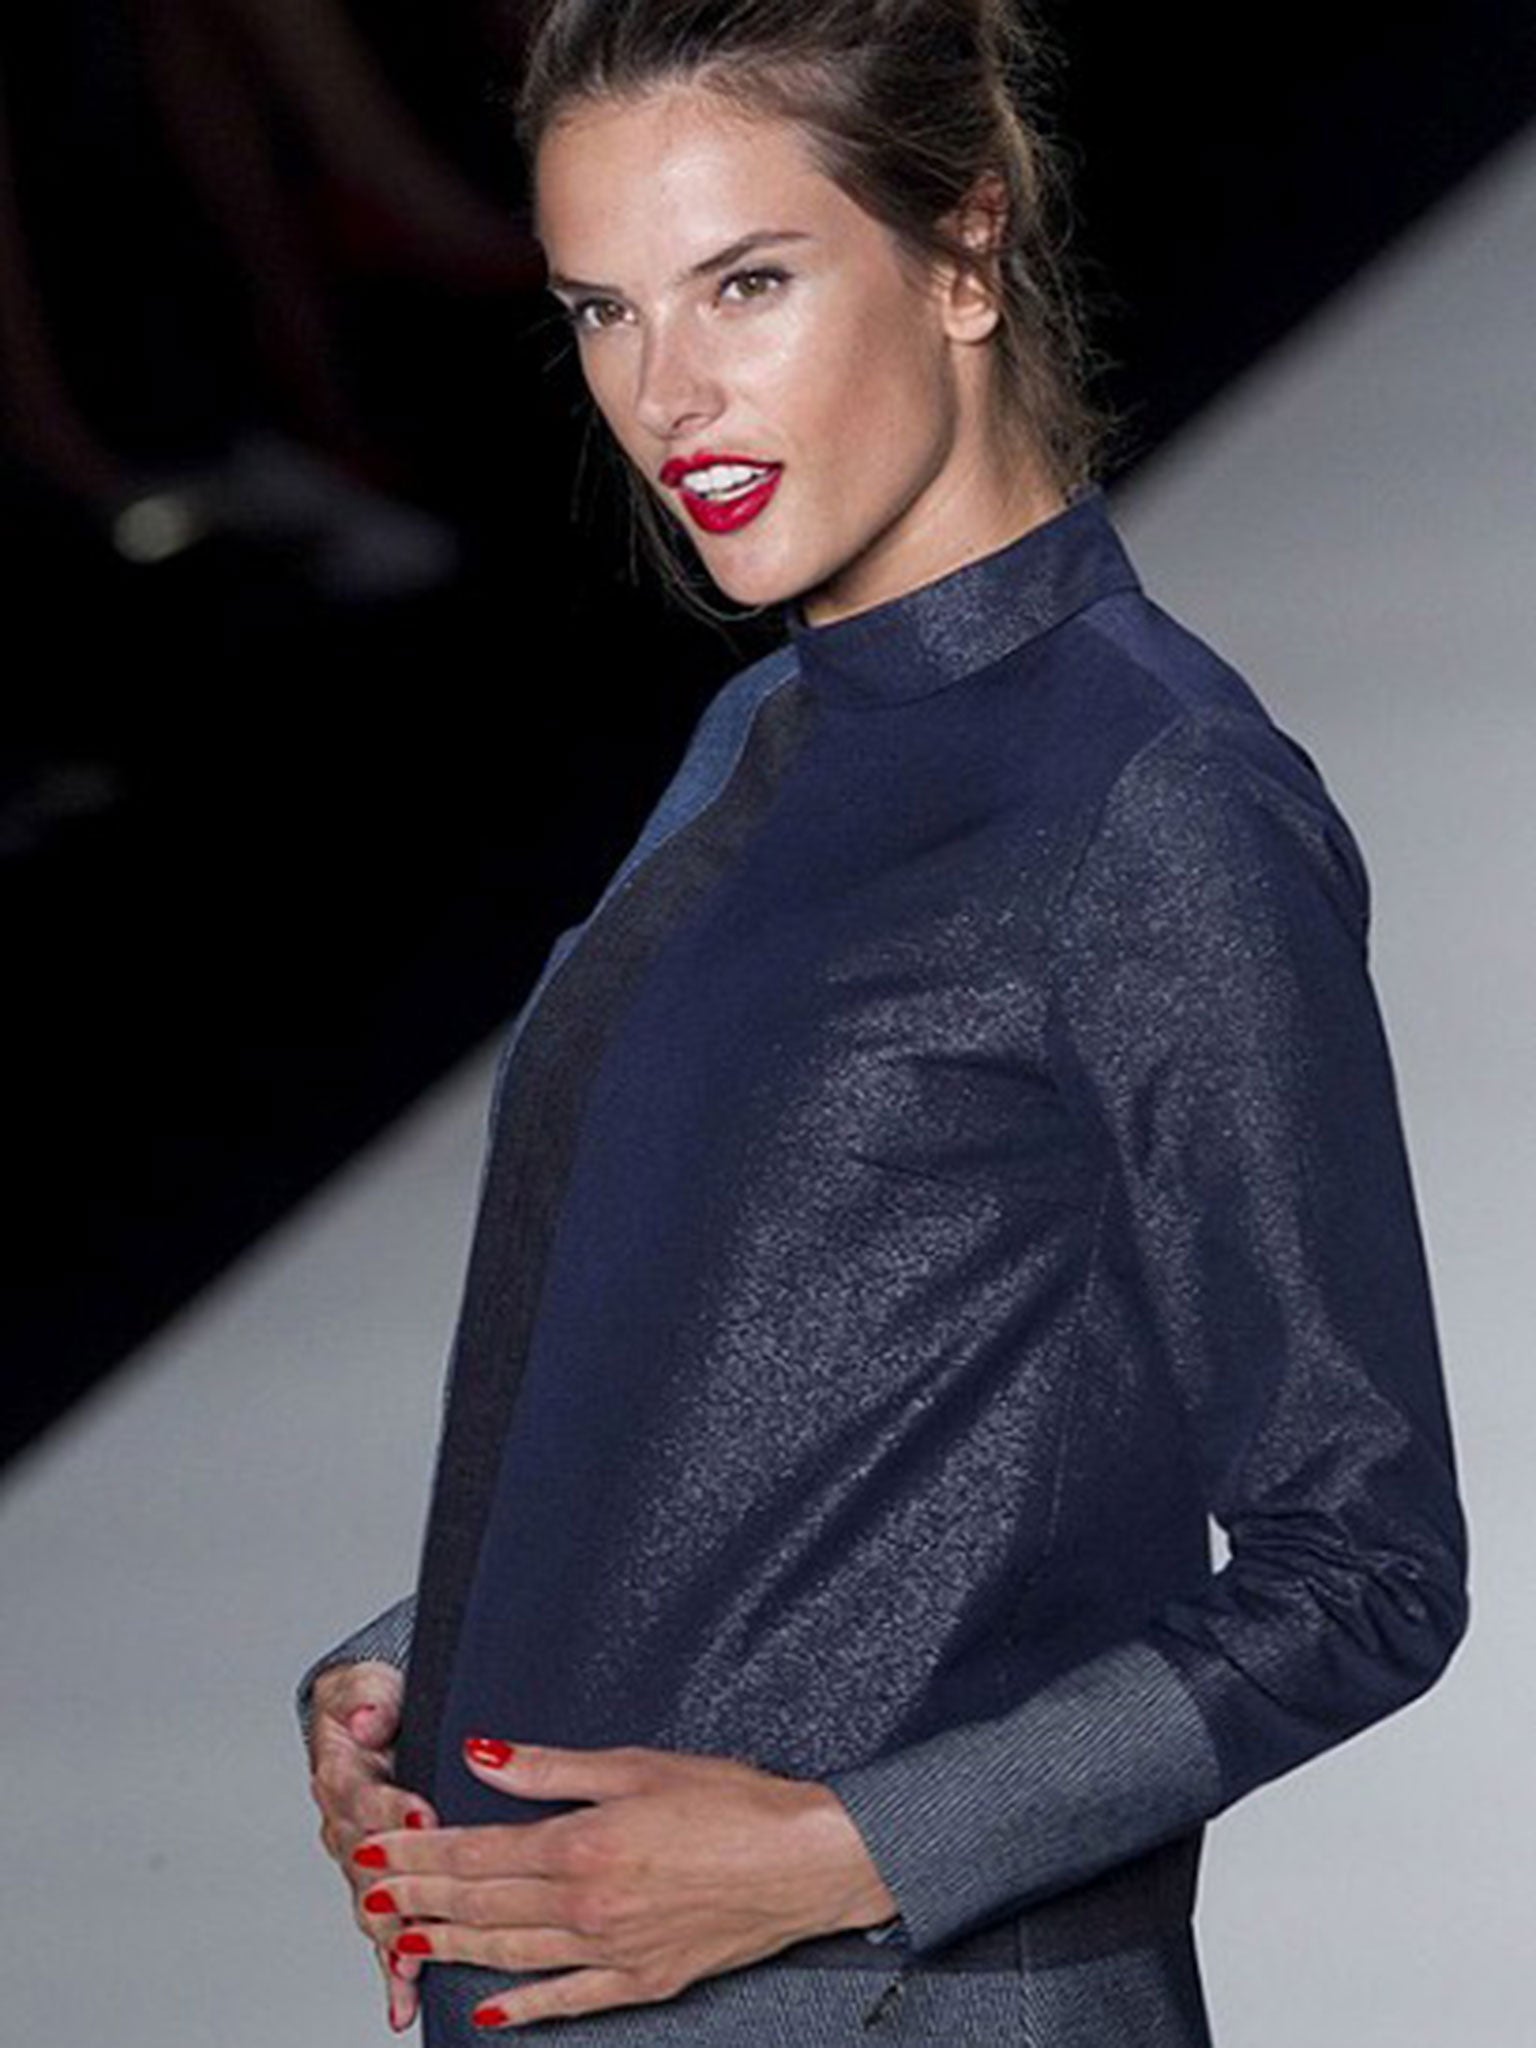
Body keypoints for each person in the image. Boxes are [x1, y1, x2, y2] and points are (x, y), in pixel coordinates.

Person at [294, 3, 1471, 2042]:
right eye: (602, 311)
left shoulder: (1156, 802)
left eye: (747, 281)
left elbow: (1363, 1565)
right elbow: (756, 1362)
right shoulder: (762, 728)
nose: (666, 395)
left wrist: (847, 1848)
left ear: (962, 249)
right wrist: (431, 1660)